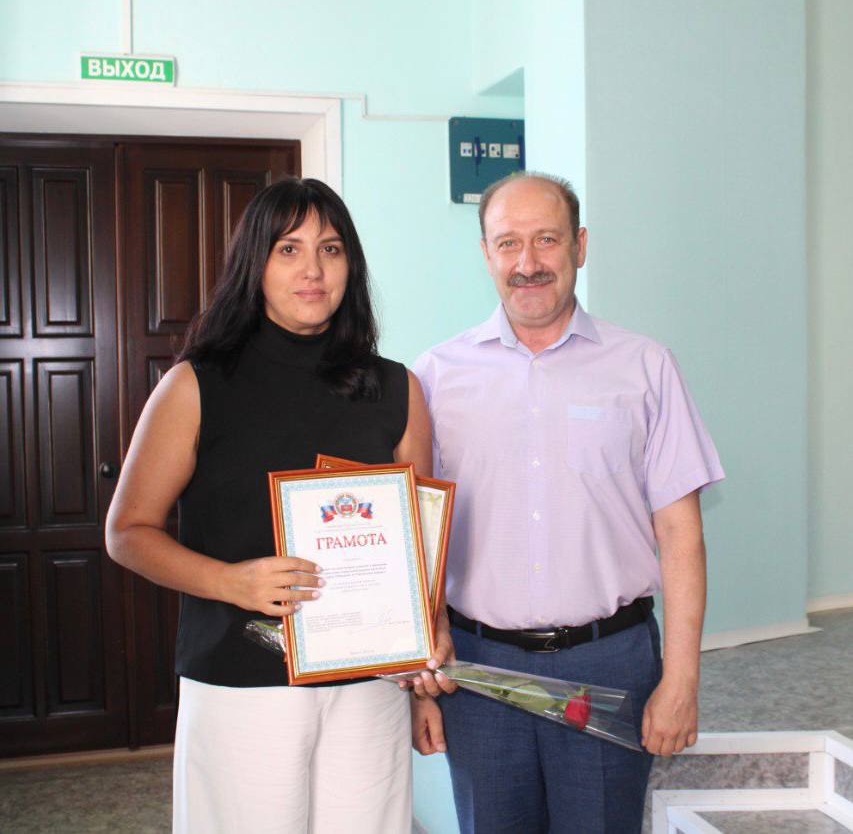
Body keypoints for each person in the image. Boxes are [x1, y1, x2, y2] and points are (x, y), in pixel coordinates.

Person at [105, 177, 441, 833]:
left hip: (368, 683)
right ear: (254, 263)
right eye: (289, 249)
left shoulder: (398, 388)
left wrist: (426, 658)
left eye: (330, 248)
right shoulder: (196, 385)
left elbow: (421, 548)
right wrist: (229, 581)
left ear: (350, 265)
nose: (312, 269)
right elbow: (127, 531)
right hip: (241, 681)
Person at [410, 172, 725, 833]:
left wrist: (681, 681)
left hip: (609, 663)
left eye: (546, 239)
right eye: (508, 243)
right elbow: (415, 538)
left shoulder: (645, 367)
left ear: (579, 245)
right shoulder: (435, 376)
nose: (527, 262)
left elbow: (680, 535)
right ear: (486, 254)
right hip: (477, 671)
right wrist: (418, 681)